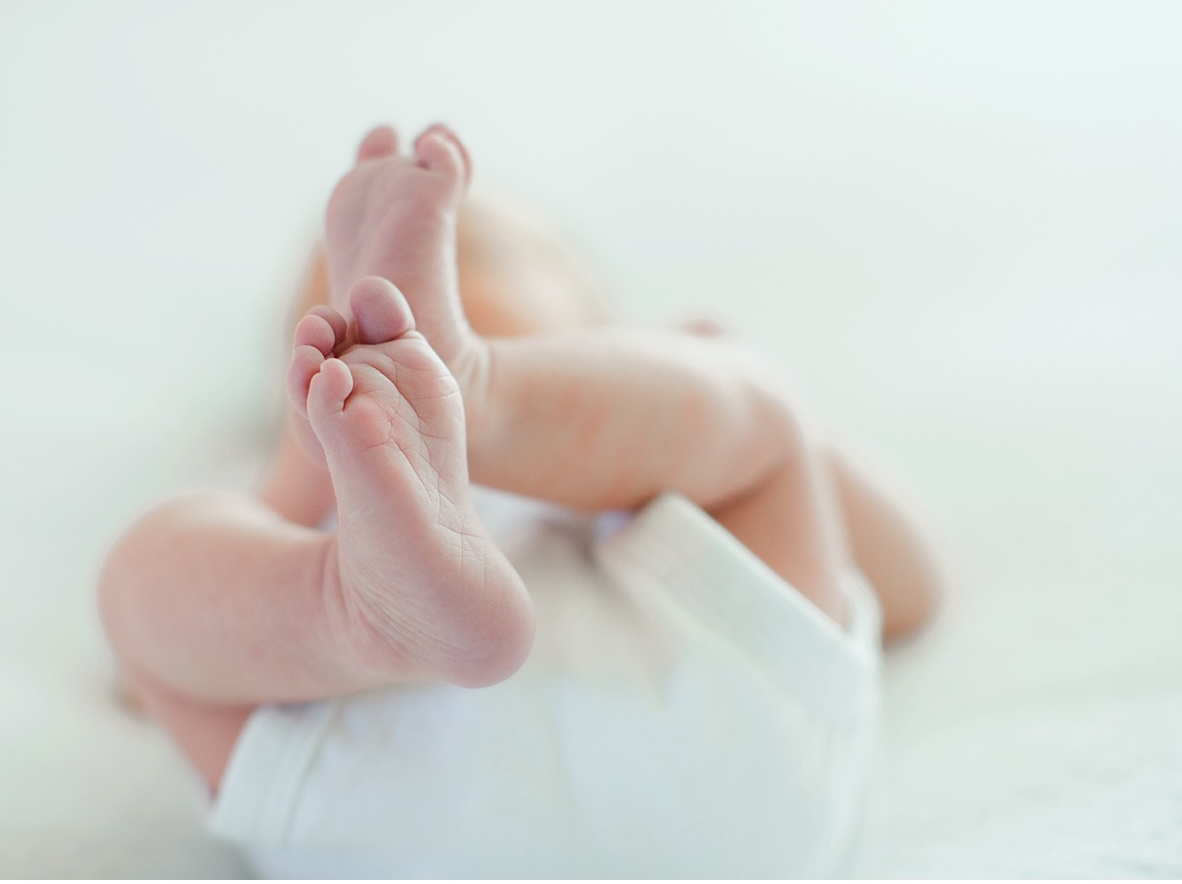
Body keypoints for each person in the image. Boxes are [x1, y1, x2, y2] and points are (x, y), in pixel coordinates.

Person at [98, 123, 940, 876]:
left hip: (385, 810)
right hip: (721, 769)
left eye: (473, 263)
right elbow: (151, 683)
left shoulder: (666, 441)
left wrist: (693, 379)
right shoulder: (310, 489)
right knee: (151, 582)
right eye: (335, 323)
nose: (380, 328)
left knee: (138, 589)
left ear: (616, 333)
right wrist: (305, 474)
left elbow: (910, 584)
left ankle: (486, 407)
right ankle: (356, 601)